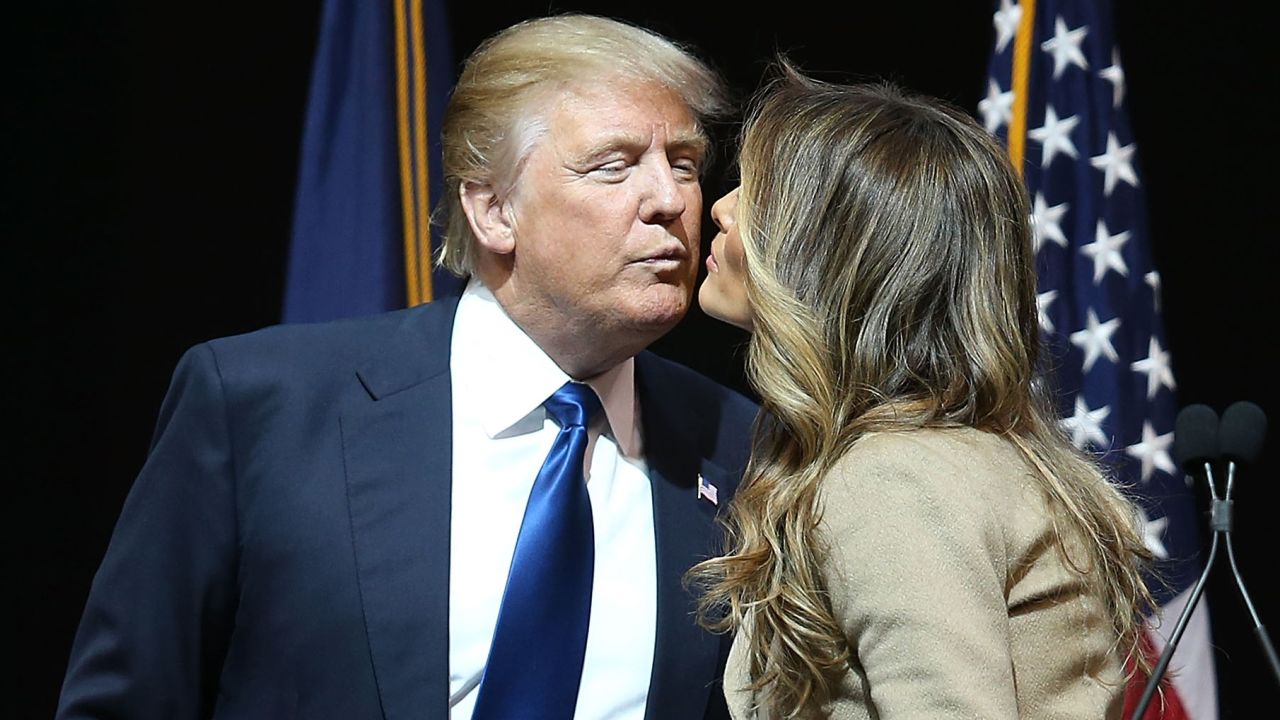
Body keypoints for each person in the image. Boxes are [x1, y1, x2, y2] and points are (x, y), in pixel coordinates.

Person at [56, 14, 757, 720]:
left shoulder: (742, 448)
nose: (670, 201)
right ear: (492, 210)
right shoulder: (259, 408)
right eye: (613, 165)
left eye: (685, 164)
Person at [692, 65, 1155, 719]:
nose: (721, 206)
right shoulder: (950, 457)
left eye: (760, 196)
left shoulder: (894, 476)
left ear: (831, 254)